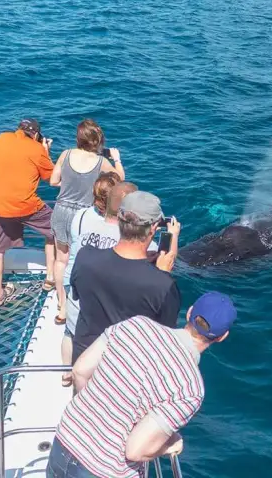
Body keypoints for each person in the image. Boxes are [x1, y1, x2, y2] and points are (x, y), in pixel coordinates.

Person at [47, 292, 237, 478]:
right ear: (222, 337)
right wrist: (169, 446)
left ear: (189, 313)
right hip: (104, 469)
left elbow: (80, 370)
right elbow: (135, 451)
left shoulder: (136, 324)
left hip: (66, 437)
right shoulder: (190, 389)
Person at [69, 191, 181, 363]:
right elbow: (164, 334)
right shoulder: (161, 285)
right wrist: (163, 274)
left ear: (119, 220)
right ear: (153, 228)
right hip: (127, 369)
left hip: (84, 358)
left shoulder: (85, 257)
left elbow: (77, 295)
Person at [60, 173, 146, 386]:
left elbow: (73, 249)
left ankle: (66, 373)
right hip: (100, 308)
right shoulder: (130, 238)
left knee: (69, 333)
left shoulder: (80, 218)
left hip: (74, 288)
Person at [50, 119, 125, 325]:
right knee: (80, 260)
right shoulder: (102, 162)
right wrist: (117, 159)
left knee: (61, 260)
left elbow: (53, 181)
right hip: (81, 216)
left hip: (61, 210)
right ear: (98, 141)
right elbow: (120, 181)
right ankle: (82, 302)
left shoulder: (65, 154)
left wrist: (71, 184)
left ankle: (62, 307)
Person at [0, 119, 56, 306]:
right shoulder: (37, 149)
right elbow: (51, 178)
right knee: (55, 229)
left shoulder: (1, 138)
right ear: (36, 135)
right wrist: (45, 151)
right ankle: (50, 278)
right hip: (24, 203)